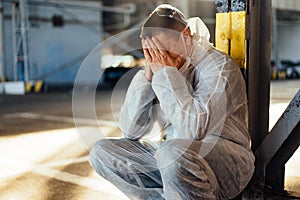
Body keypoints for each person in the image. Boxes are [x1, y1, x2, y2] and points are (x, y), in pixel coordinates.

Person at [89, 4, 255, 200]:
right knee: (101, 152)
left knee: (171, 153)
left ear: (186, 36)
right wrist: (147, 79)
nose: (158, 58)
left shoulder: (218, 67)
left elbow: (193, 130)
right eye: (151, 52)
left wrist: (166, 75)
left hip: (226, 162)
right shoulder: (157, 70)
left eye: (163, 50)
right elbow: (131, 131)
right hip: (171, 157)